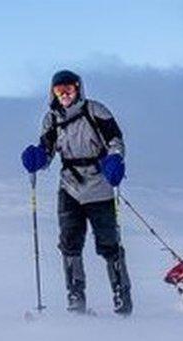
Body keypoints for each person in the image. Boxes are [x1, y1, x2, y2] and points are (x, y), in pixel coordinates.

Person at [21, 70, 132, 315]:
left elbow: (115, 140)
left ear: (79, 89)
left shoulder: (96, 111)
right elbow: (47, 150)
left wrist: (115, 159)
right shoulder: (51, 119)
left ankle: (121, 296)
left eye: (69, 90)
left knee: (109, 245)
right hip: (69, 187)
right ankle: (75, 297)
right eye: (59, 91)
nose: (65, 95)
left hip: (100, 186)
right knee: (69, 244)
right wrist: (37, 158)